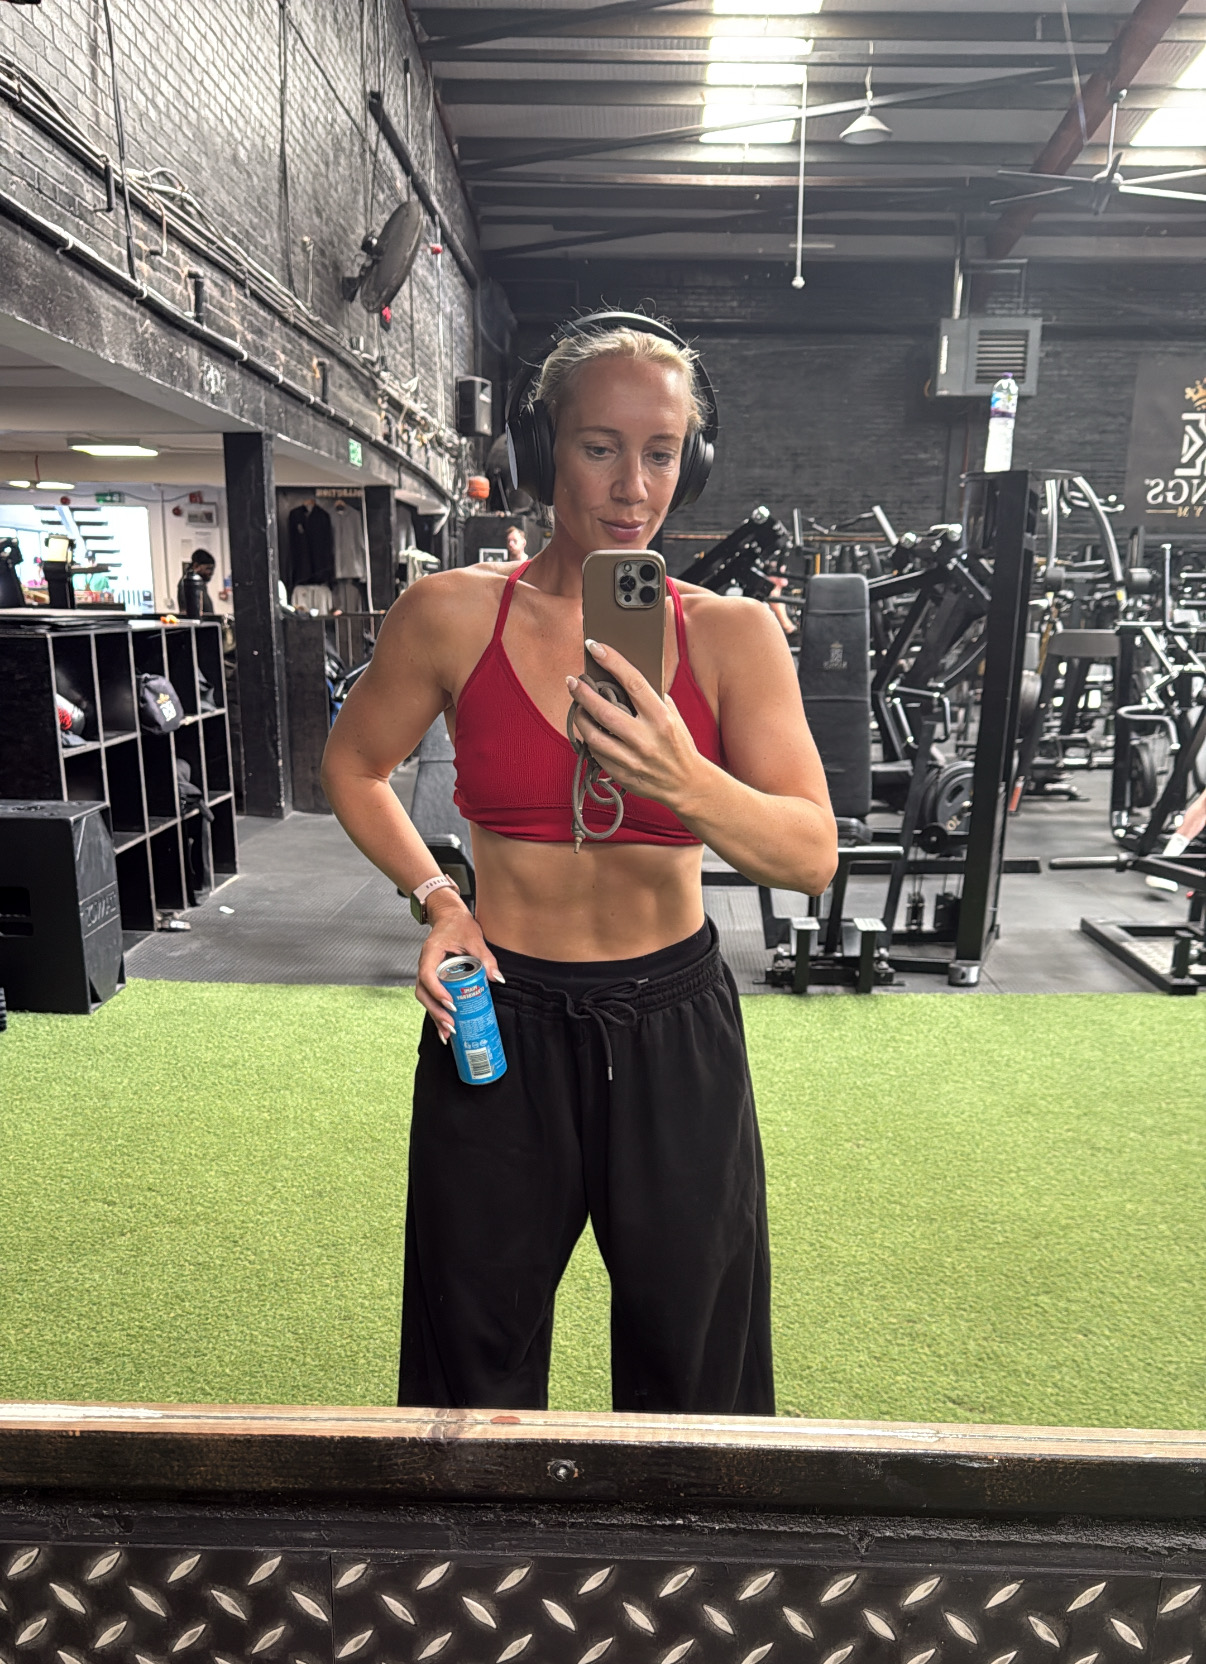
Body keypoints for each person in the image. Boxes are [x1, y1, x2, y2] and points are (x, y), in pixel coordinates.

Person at [322, 319, 837, 1415]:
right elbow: (354, 766)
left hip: (674, 1025)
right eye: (600, 447)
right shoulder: (449, 614)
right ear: (540, 446)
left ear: (693, 462)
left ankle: (683, 1532)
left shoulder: (737, 635)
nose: (632, 486)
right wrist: (440, 899)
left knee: (695, 1358)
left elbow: (810, 855)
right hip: (498, 1014)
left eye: (662, 453)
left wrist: (682, 778)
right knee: (470, 1352)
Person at [176, 548, 215, 616]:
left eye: (212, 569)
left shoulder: (199, 583)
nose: (211, 573)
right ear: (196, 566)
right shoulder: (188, 583)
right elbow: (185, 612)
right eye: (208, 569)